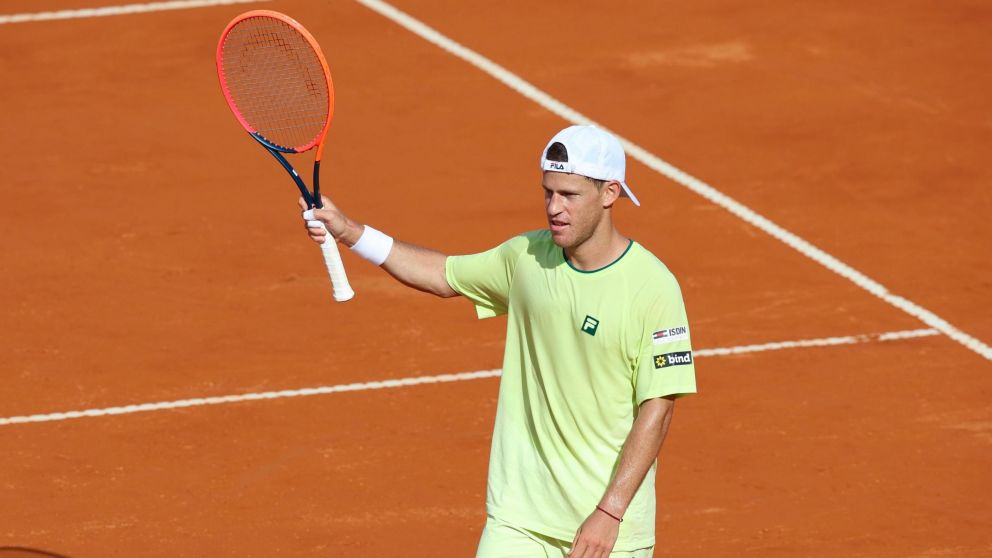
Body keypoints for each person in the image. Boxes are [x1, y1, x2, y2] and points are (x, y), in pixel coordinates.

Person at [301, 125, 697, 558]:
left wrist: (610, 511)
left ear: (609, 193)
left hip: (607, 528)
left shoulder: (653, 288)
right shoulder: (527, 257)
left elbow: (658, 408)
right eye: (548, 192)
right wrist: (349, 231)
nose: (554, 208)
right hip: (518, 517)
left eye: (569, 195)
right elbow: (442, 276)